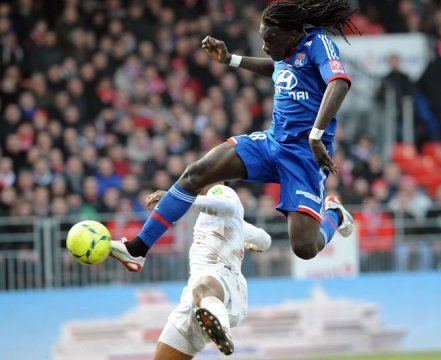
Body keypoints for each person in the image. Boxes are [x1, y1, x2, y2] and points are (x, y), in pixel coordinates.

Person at [110, 0, 355, 272]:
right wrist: (230, 60)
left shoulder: (318, 44)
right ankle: (137, 250)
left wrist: (315, 136)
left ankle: (334, 214)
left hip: (304, 155)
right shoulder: (285, 54)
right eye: (263, 38)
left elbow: (339, 82)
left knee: (304, 249)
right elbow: (275, 69)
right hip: (272, 143)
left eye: (270, 39)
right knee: (195, 174)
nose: (264, 46)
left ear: (292, 33)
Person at [145, 184, 271, 359]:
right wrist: (253, 244)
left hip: (221, 282)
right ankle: (213, 322)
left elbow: (227, 206)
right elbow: (265, 239)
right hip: (196, 300)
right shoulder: (235, 224)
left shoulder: (219, 190)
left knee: (203, 287)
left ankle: (221, 328)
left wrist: (178, 199)